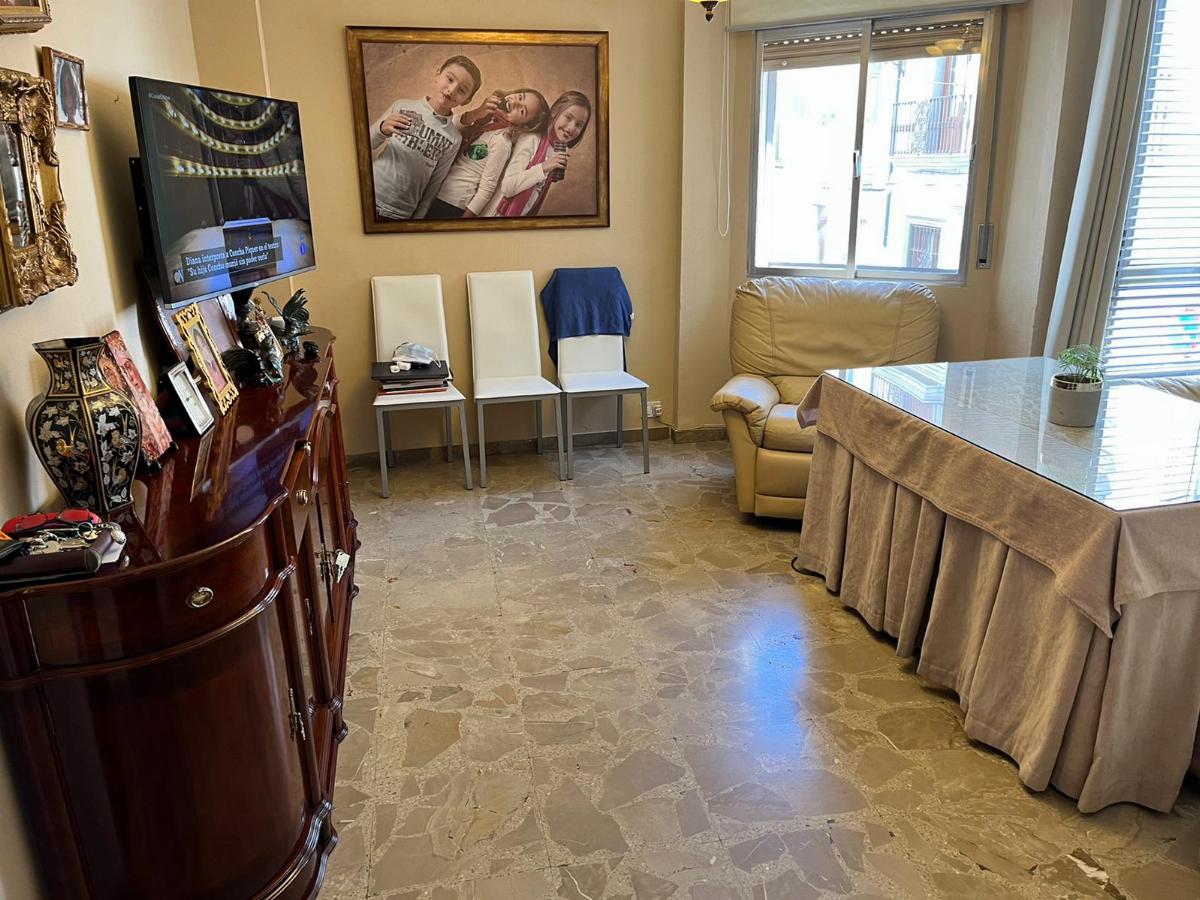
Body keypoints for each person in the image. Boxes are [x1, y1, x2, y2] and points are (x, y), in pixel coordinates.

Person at [369, 55, 482, 220]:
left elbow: (434, 184)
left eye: (462, 90)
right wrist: (381, 129)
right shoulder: (402, 105)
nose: (452, 90)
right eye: (450, 79)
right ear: (438, 74)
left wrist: (418, 219)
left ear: (467, 100)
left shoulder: (453, 138)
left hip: (399, 214)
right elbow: (367, 145)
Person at [426, 88, 550, 219]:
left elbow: (487, 189)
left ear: (523, 125)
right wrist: (477, 113)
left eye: (522, 111)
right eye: (520, 97)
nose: (515, 103)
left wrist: (464, 221)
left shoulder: (501, 141)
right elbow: (446, 128)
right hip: (434, 189)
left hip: (452, 202)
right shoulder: (485, 119)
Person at [494, 91, 592, 218]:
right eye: (568, 117)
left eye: (579, 125)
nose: (571, 128)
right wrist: (544, 167)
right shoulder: (532, 140)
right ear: (555, 111)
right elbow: (508, 187)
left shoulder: (557, 150)